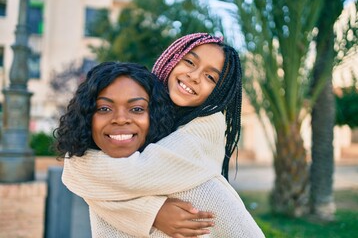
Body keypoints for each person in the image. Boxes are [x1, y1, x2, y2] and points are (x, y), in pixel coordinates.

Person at [60, 33, 265, 237]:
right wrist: (153, 213)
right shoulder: (149, 112)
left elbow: (129, 176)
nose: (194, 76)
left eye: (210, 77)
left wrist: (148, 213)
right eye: (189, 62)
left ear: (218, 92)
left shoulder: (206, 129)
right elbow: (88, 174)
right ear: (172, 58)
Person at [56, 61, 215, 237]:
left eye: (137, 109)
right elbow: (74, 169)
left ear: (154, 115)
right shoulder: (94, 181)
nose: (121, 119)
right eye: (104, 108)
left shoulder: (200, 187)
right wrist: (152, 214)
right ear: (87, 118)